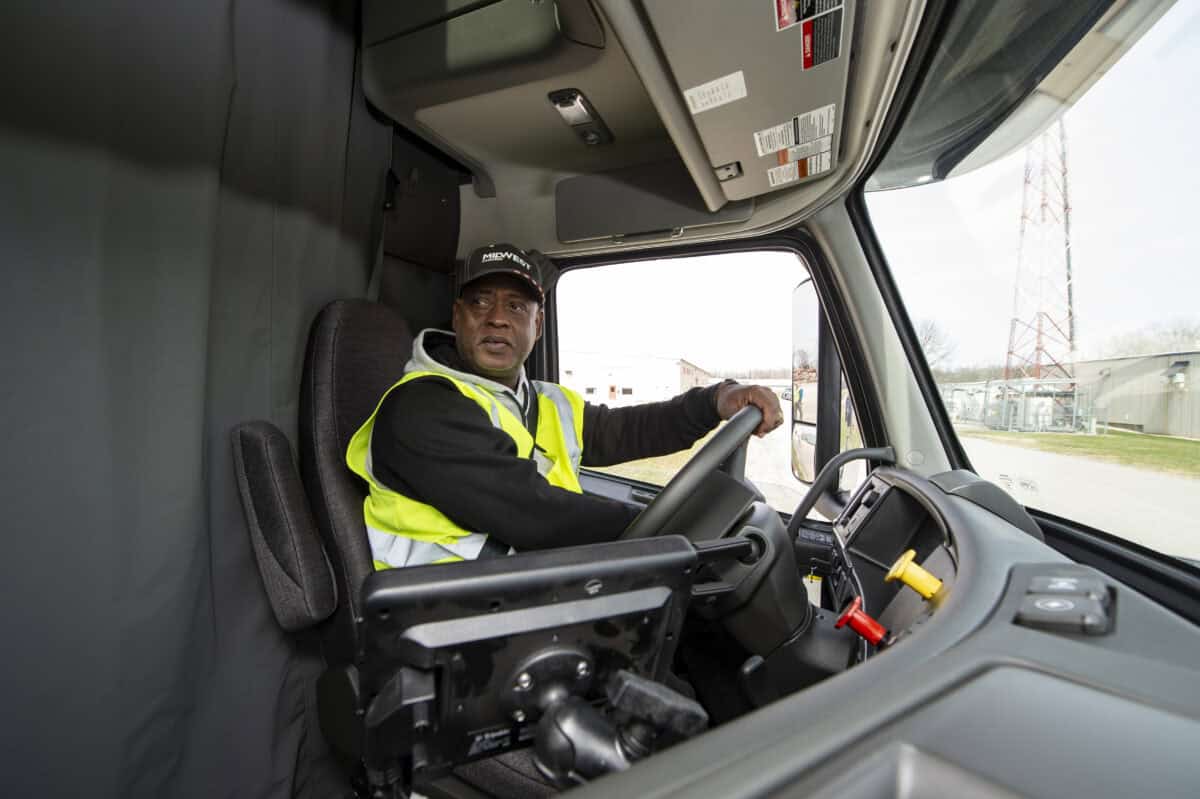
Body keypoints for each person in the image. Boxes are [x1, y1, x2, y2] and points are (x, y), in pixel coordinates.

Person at [347, 243, 784, 569]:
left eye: (516, 306)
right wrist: (672, 530)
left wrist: (713, 401)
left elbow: (628, 430)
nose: (497, 318)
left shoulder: (544, 400)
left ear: (537, 326)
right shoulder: (421, 406)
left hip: (522, 583)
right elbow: (532, 511)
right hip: (444, 616)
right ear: (457, 316)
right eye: (481, 302)